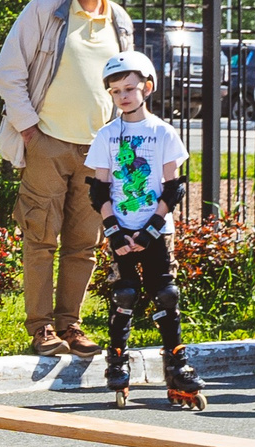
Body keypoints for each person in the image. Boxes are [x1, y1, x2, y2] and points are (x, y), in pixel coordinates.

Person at [0, 0, 136, 355]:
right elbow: (8, 71)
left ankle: (70, 326)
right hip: (48, 142)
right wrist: (29, 128)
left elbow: (127, 83)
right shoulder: (45, 11)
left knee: (84, 243)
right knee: (40, 238)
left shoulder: (120, 21)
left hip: (98, 150)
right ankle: (41, 329)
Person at [83, 50, 200, 409]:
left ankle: (177, 365)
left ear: (147, 87)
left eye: (130, 89)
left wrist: (151, 228)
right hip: (121, 229)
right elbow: (99, 189)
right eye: (116, 91)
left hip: (157, 231)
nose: (123, 97)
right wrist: (115, 231)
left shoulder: (163, 132)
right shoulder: (107, 135)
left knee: (166, 294)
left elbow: (174, 187)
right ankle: (117, 362)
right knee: (125, 295)